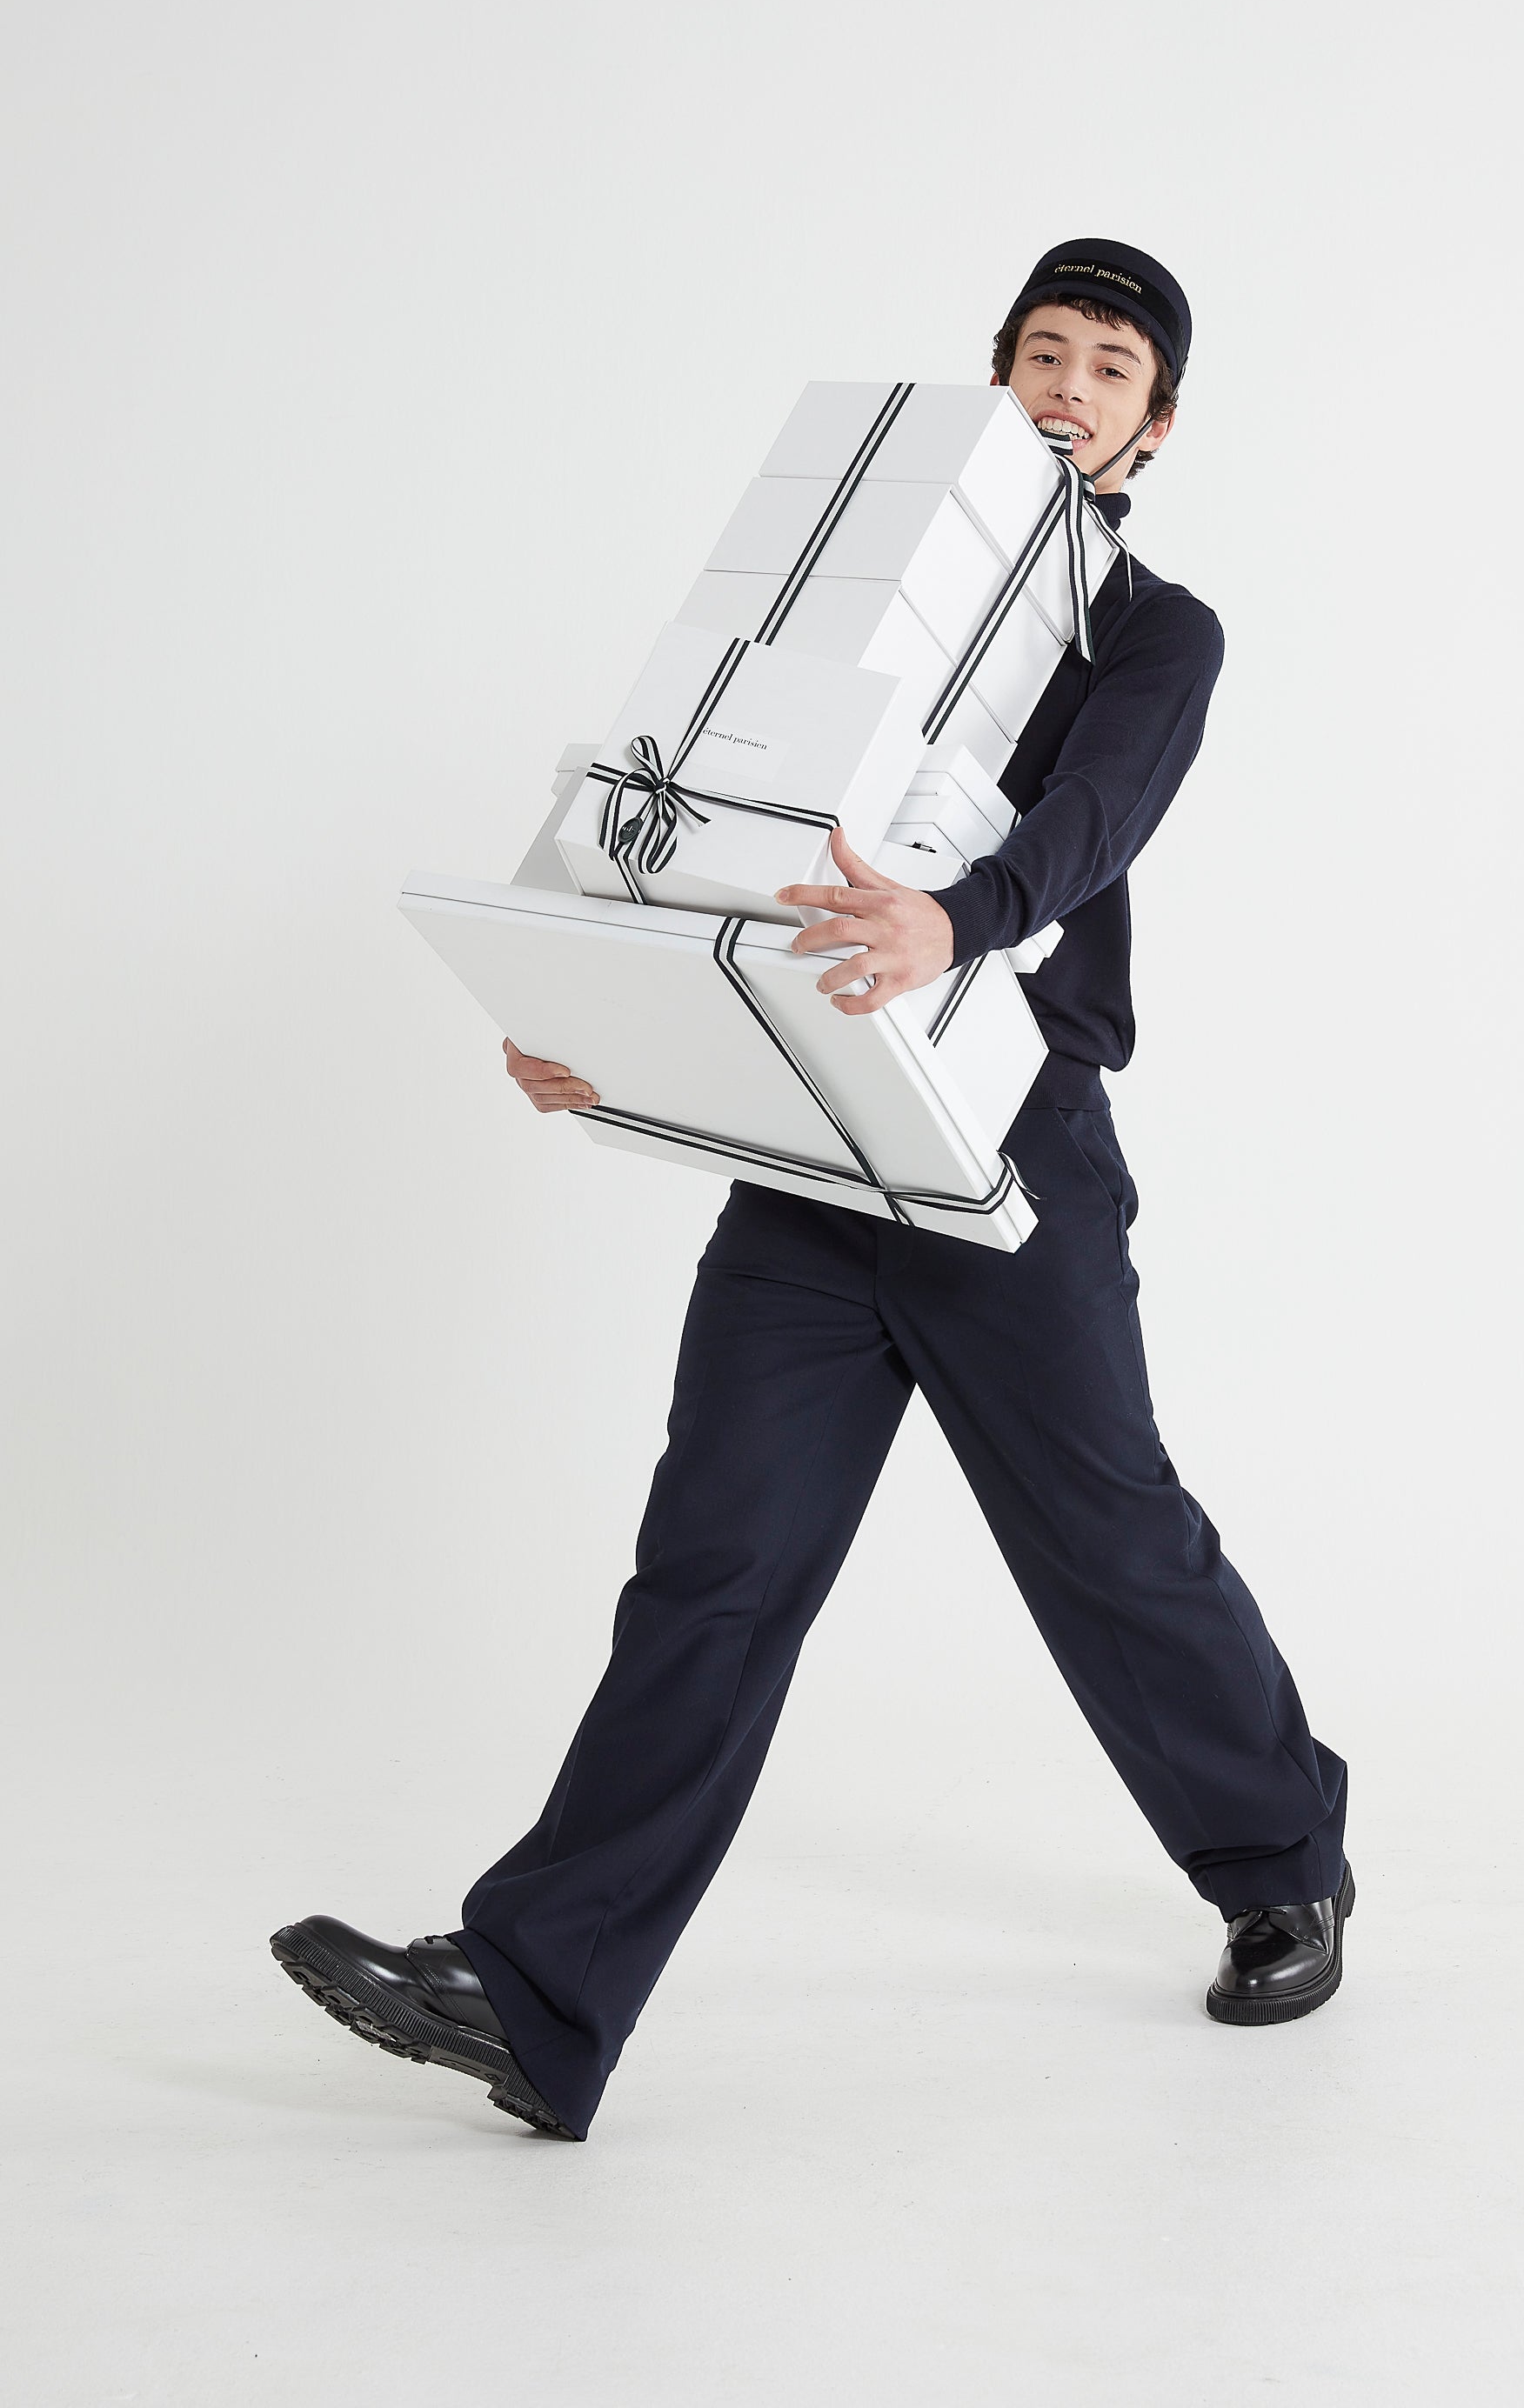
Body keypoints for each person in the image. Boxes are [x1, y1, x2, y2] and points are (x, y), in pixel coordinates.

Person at [272, 238, 1352, 2143]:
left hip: (1010, 1138)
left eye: (1110, 367)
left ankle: (1283, 1863)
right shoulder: (840, 598)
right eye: (1041, 351)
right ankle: (537, 1998)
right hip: (811, 1134)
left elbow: (1095, 818)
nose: (1069, 385)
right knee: (716, 1561)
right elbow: (695, 797)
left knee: (1106, 1537)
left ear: (1155, 427)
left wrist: (960, 913)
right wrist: (587, 1008)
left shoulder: (1156, 635)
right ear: (992, 379)